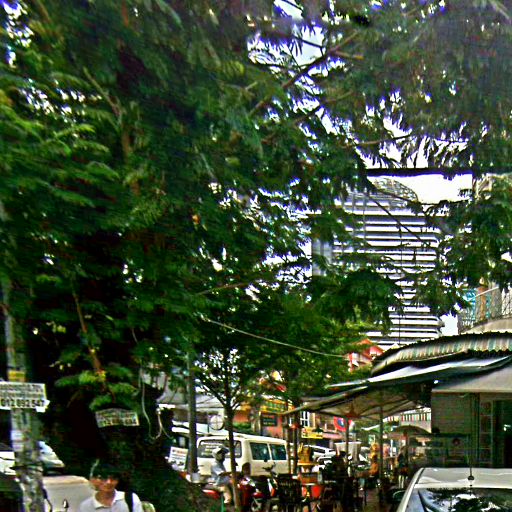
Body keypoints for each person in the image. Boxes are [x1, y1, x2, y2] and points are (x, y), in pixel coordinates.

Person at [78, 461, 143, 512]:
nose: (108, 482)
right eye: (103, 478)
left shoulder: (130, 499)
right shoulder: (86, 506)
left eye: (113, 478)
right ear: (93, 480)